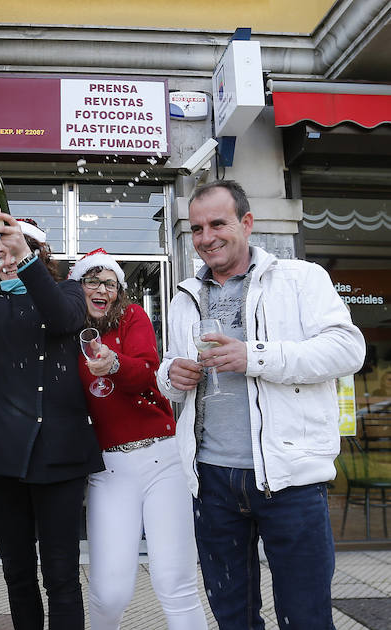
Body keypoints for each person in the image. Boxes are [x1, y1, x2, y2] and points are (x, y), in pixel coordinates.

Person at [156, 180, 366, 629]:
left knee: (306, 618)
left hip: (290, 480)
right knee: (233, 619)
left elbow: (348, 350)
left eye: (218, 223)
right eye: (196, 228)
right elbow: (171, 370)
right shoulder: (183, 296)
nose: (206, 237)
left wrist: (255, 356)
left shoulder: (300, 278)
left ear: (246, 223)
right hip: (211, 481)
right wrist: (170, 375)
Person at [0, 191, 103, 630]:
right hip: (2, 453)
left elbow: (61, 320)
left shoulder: (70, 290)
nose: (5, 259)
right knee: (17, 572)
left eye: (14, 250)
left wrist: (26, 259)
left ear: (39, 254)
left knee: (61, 575)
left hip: (59, 453)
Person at [69, 248, 206, 629]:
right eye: (92, 282)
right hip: (108, 467)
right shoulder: (65, 331)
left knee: (175, 582)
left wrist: (114, 363)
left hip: (163, 459)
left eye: (109, 283)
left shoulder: (133, 316)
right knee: (110, 591)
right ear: (77, 287)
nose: (101, 290)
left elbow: (149, 371)